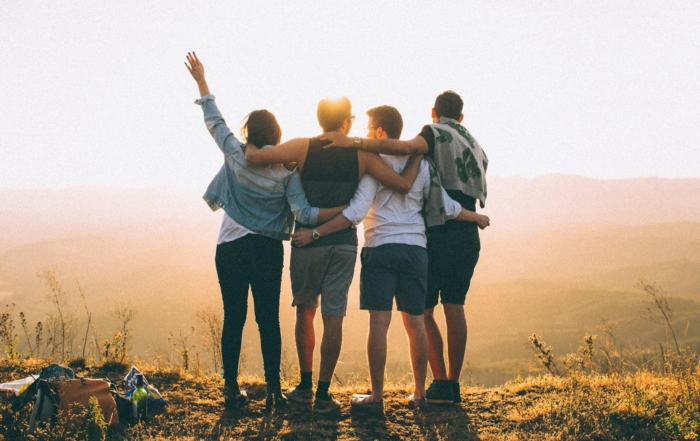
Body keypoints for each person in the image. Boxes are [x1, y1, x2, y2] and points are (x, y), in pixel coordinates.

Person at [292, 106, 489, 413]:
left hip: (381, 248)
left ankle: (377, 397)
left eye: (370, 129)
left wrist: (316, 233)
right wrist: (475, 216)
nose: (368, 134)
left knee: (379, 325)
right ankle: (420, 394)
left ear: (381, 132)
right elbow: (446, 206)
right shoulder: (421, 164)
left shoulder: (374, 165)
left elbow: (355, 213)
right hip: (416, 250)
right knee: (415, 325)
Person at [185, 52, 346, 410]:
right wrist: (345, 211)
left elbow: (214, 121)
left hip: (229, 246)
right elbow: (303, 212)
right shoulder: (287, 171)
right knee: (268, 319)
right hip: (267, 250)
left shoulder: (236, 154)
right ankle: (274, 391)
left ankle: (231, 389)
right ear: (277, 135)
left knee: (234, 317)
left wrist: (201, 81)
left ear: (248, 133)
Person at [244, 98, 421, 413]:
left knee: (305, 311)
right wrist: (419, 152)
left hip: (305, 243)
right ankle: (324, 395)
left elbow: (257, 156)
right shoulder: (362, 155)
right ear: (346, 123)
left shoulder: (301, 147)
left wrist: (251, 142)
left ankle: (304, 386)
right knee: (333, 316)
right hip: (343, 245)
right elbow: (403, 184)